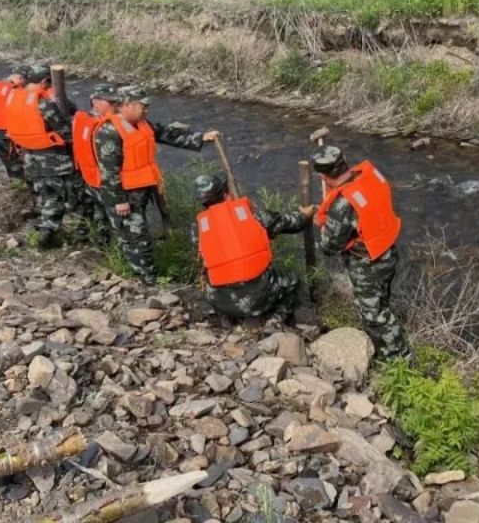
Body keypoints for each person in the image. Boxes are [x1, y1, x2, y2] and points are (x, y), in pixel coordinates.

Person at [94, 86, 218, 285]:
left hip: (142, 190)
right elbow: (109, 171)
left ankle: (144, 274)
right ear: (127, 104)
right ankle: (149, 280)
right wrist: (119, 201)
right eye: (143, 106)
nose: (147, 110)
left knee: (137, 235)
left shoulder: (143, 124)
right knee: (137, 238)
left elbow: (168, 134)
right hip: (124, 195)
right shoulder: (109, 131)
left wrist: (200, 138)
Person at [311, 145, 411, 361]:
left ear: (322, 175)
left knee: (374, 315)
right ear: (344, 161)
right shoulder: (369, 175)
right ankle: (387, 347)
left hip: (368, 264)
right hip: (388, 251)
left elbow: (329, 247)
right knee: (381, 303)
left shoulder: (342, 205)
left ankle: (400, 360)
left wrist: (324, 224)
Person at [192, 173, 315, 322]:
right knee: (292, 281)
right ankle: (276, 321)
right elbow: (294, 224)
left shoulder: (198, 228)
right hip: (256, 298)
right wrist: (304, 215)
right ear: (226, 194)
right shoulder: (254, 215)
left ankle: (229, 318)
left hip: (220, 302)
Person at [4, 64, 80, 249]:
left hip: (29, 156)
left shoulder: (13, 97)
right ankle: (46, 236)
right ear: (45, 81)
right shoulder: (42, 103)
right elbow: (63, 130)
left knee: (44, 194)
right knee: (57, 196)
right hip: (52, 158)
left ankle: (46, 229)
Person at [72, 84, 121, 239]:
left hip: (90, 179)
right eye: (111, 103)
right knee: (116, 223)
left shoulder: (81, 119)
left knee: (100, 217)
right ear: (95, 102)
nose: (116, 106)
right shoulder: (107, 127)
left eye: (117, 103)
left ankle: (102, 244)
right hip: (101, 182)